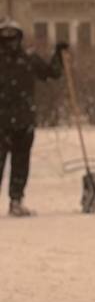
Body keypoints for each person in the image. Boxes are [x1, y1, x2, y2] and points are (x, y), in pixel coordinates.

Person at [0, 19, 65, 217]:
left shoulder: (29, 60)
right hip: (2, 122)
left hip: (23, 121)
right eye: (5, 39)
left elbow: (52, 72)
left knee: (21, 163)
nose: (10, 43)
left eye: (13, 38)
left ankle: (16, 200)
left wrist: (59, 55)